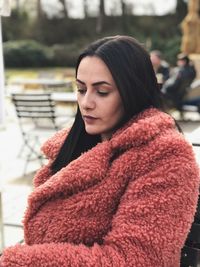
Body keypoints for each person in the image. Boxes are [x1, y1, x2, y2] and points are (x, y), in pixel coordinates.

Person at [0, 36, 199, 267]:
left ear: (133, 91)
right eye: (81, 89)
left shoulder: (165, 155)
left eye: (102, 92)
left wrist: (19, 260)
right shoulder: (77, 144)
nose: (86, 102)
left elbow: (139, 260)